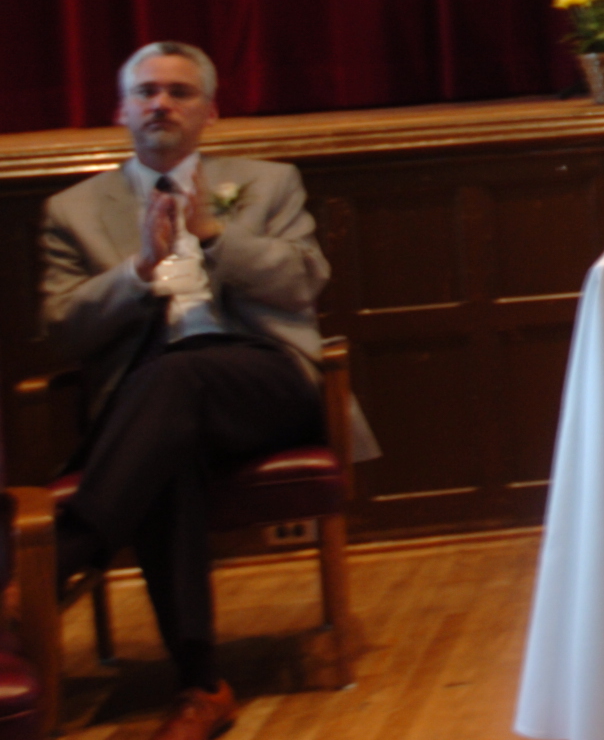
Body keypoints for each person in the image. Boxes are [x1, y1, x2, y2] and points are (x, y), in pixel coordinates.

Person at [40, 43, 376, 740]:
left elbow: (305, 282)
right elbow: (62, 329)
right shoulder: (73, 210)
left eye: (180, 92)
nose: (161, 104)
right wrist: (137, 270)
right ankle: (201, 686)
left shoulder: (269, 183)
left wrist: (216, 235)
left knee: (177, 377)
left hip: (263, 381)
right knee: (168, 436)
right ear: (122, 110)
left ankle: (52, 565)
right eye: (147, 92)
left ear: (210, 112)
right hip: (153, 404)